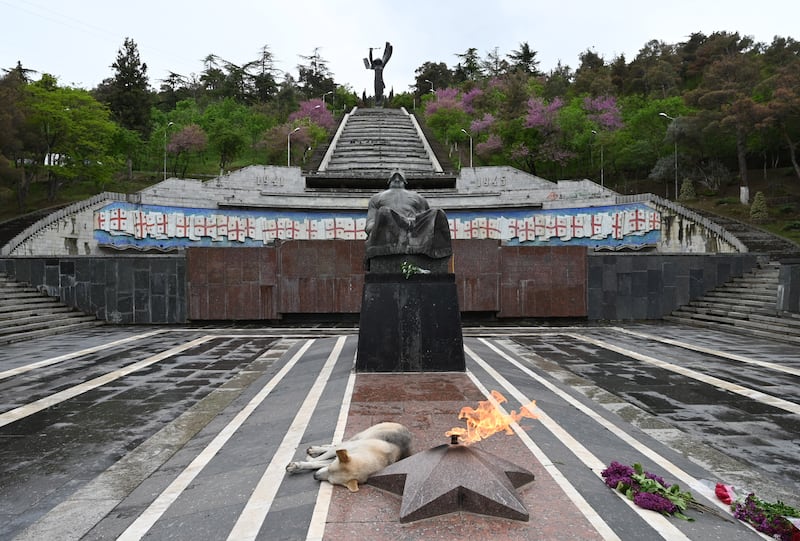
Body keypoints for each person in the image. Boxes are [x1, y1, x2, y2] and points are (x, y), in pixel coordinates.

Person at [364, 170, 452, 261]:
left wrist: (410, 222)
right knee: (384, 212)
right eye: (394, 178)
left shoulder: (418, 197)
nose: (397, 180)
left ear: (404, 181)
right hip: (390, 228)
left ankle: (440, 253)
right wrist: (378, 226)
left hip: (412, 228)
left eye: (400, 178)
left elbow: (424, 219)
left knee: (437, 212)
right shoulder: (376, 198)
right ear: (389, 181)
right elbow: (370, 224)